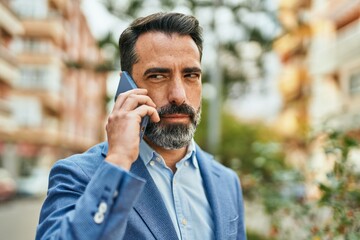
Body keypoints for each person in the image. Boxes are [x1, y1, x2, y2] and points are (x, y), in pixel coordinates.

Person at [36, 12, 246, 240]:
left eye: (190, 75)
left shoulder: (226, 181)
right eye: (158, 76)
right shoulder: (77, 175)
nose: (179, 95)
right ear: (126, 87)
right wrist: (118, 160)